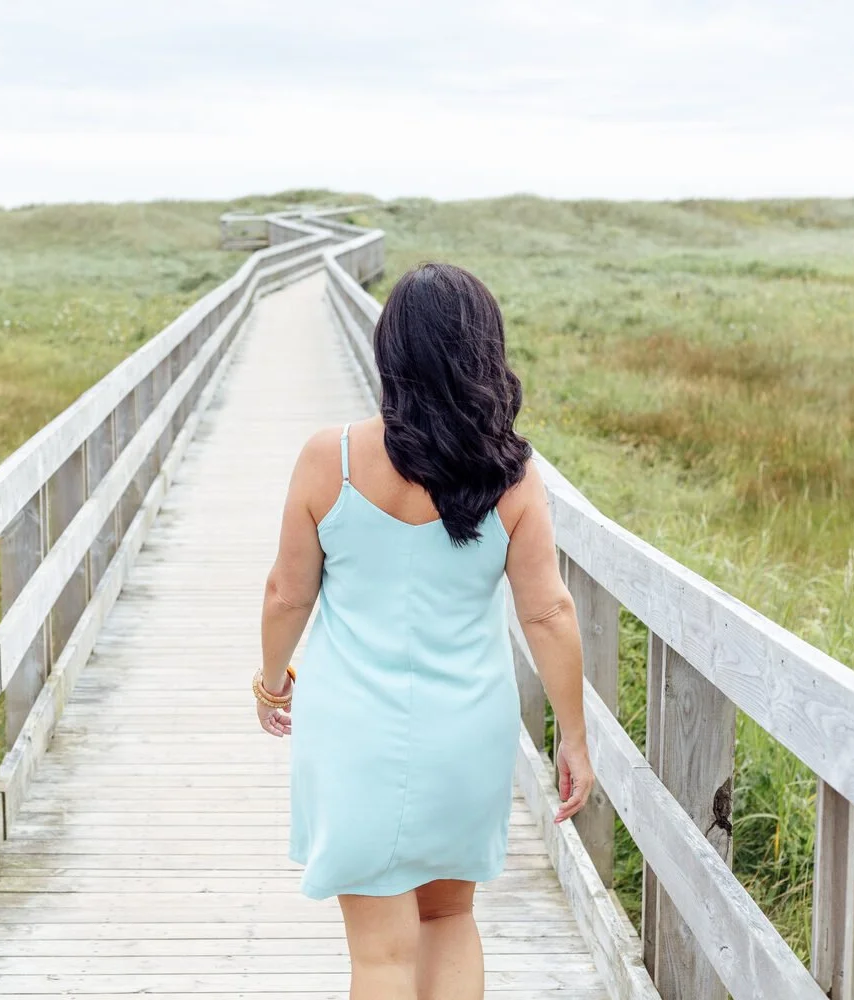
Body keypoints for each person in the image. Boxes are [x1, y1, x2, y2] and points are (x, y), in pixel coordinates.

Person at [253, 262, 596, 999]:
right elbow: (549, 612)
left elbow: (287, 593)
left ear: (391, 353)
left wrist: (272, 680)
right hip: (467, 730)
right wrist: (573, 735)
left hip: (353, 728)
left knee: (380, 957)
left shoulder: (331, 459)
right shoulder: (511, 473)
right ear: (484, 351)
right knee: (449, 918)